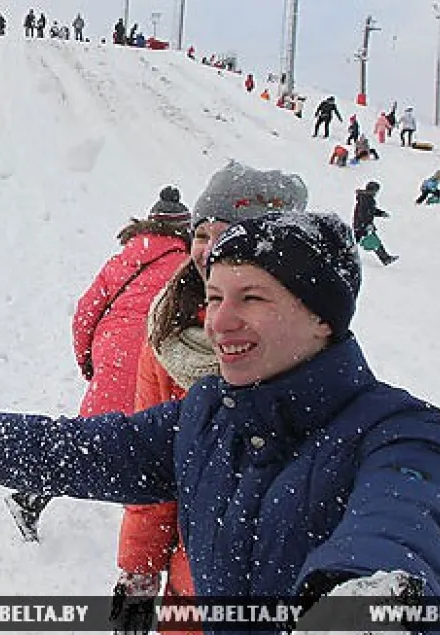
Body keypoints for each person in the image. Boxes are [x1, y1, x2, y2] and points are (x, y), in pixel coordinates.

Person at [0, 210, 440, 631]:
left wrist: (366, 597)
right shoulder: (205, 416)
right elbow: (63, 448)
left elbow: (410, 521)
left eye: (252, 296)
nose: (220, 319)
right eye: (215, 296)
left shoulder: (404, 432)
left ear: (321, 316)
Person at [112, 162, 308, 634]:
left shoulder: (306, 344)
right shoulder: (169, 337)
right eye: (203, 232)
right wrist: (138, 574)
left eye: (229, 234)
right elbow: (151, 469)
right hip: (192, 591)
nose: (208, 249)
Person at [5, 186, 191, 542]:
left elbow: (86, 311)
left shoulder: (123, 259)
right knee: (158, 441)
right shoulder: (189, 265)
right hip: (154, 357)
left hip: (115, 352)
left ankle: (31, 496)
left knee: (90, 436)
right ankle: (166, 531)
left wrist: (87, 360)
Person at [353, 181, 398, 266]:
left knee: (357, 240)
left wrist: (381, 213)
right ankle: (385, 259)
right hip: (362, 225)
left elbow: (371, 211)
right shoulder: (366, 199)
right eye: (376, 191)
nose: (376, 193)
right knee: (373, 241)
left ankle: (386, 258)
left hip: (361, 225)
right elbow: (363, 213)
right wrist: (366, 225)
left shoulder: (366, 198)